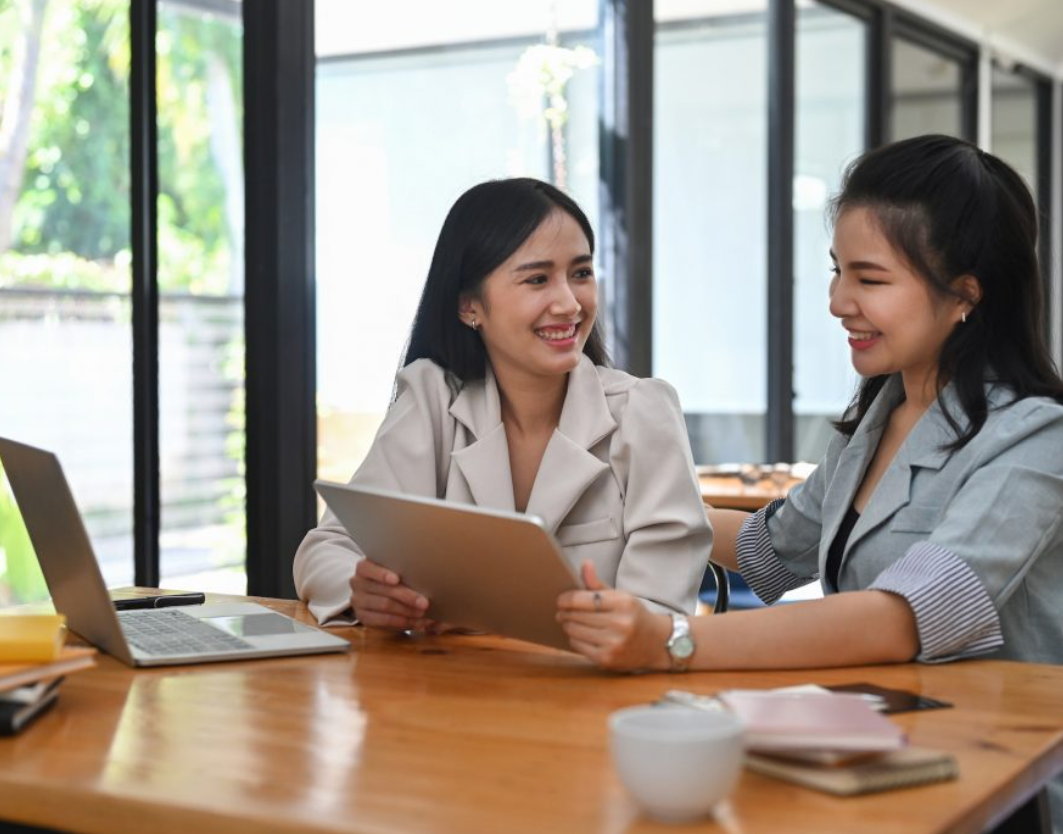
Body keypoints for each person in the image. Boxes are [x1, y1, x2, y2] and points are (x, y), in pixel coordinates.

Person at [557, 134, 1063, 676]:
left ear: (965, 294)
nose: (839, 303)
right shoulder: (877, 420)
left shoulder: (1036, 439)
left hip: (1012, 750)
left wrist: (671, 640)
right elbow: (770, 549)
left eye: (869, 279)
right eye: (837, 272)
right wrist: (629, 505)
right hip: (890, 733)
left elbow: (903, 618)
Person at [295, 177, 711, 630]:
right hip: (446, 692)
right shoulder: (434, 398)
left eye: (581, 273)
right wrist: (363, 592)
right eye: (537, 279)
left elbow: (661, 616)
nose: (570, 303)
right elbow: (326, 548)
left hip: (596, 693)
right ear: (469, 306)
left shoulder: (642, 414)